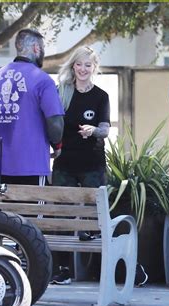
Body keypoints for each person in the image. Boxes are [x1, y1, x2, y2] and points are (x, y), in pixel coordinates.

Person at [50, 46, 110, 285]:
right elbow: (51, 125)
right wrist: (55, 146)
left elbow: (105, 130)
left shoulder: (101, 96)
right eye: (79, 64)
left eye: (88, 65)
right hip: (65, 163)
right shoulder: (61, 92)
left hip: (92, 163)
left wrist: (94, 130)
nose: (83, 69)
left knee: (95, 218)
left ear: (94, 68)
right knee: (63, 215)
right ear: (72, 66)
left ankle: (99, 269)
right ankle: (62, 269)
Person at [0, 28, 64, 186]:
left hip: (0, 169)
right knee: (33, 211)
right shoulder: (43, 80)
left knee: (5, 211)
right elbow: (55, 123)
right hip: (32, 167)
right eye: (42, 48)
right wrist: (57, 145)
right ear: (36, 48)